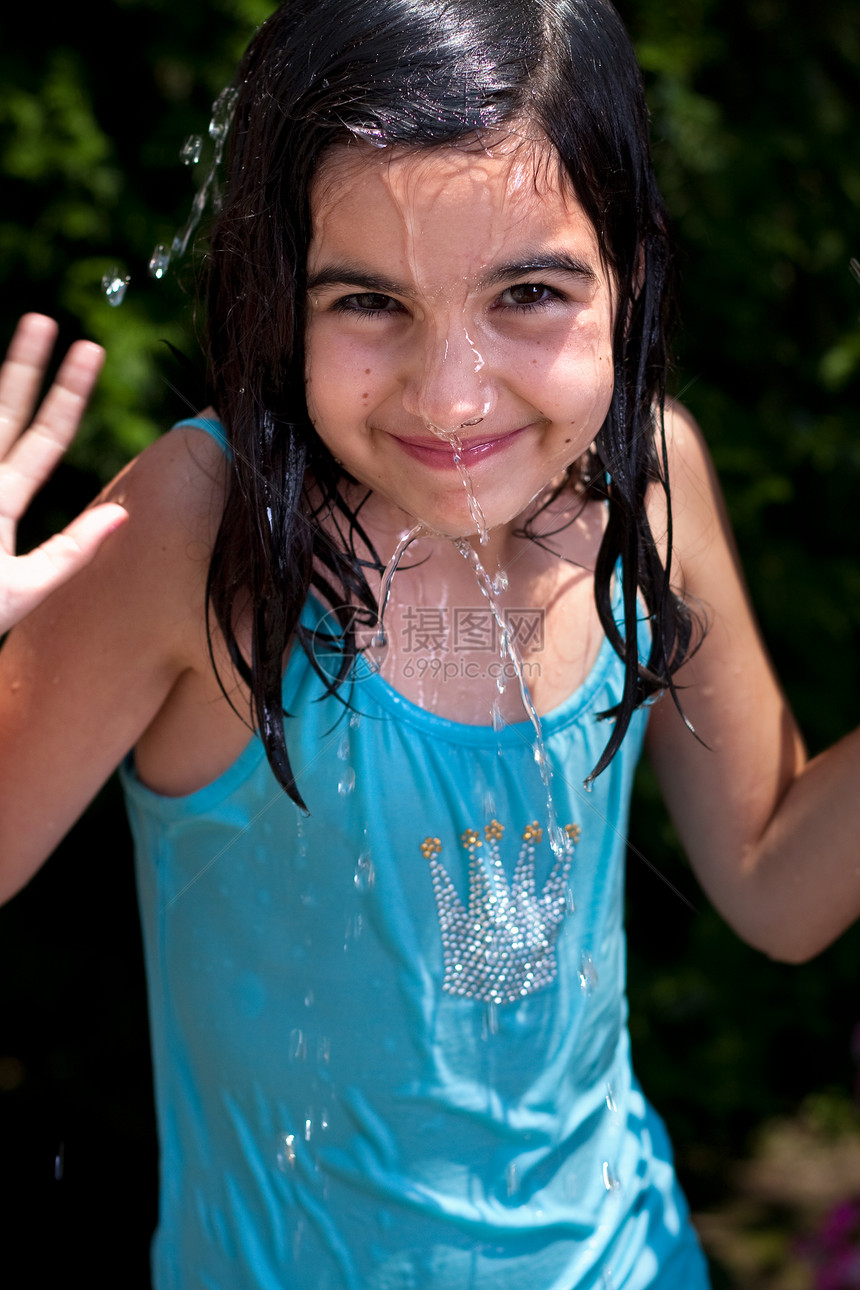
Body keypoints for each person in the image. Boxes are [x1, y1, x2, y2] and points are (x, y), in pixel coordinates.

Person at [2, 0, 859, 1286]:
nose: (451, 393)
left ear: (631, 270)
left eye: (527, 292)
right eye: (368, 301)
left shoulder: (638, 489)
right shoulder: (204, 542)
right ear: (275, 286)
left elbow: (775, 883)